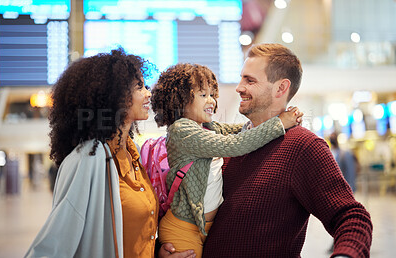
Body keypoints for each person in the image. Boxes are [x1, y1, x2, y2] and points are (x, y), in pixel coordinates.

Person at [202, 44, 373, 257]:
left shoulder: (303, 146)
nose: (239, 87)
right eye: (241, 78)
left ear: (281, 88)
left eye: (250, 80)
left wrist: (345, 255)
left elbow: (352, 217)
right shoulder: (230, 144)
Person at [25, 49, 195, 258]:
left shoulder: (135, 156)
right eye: (139, 87)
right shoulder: (89, 159)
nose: (148, 93)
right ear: (115, 96)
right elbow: (56, 241)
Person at [149, 63, 303, 257]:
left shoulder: (207, 126)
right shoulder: (182, 130)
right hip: (183, 229)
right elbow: (235, 144)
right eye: (203, 95)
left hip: (203, 229)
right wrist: (280, 123)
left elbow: (244, 129)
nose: (211, 101)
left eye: (212, 94)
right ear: (181, 99)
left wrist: (275, 118)